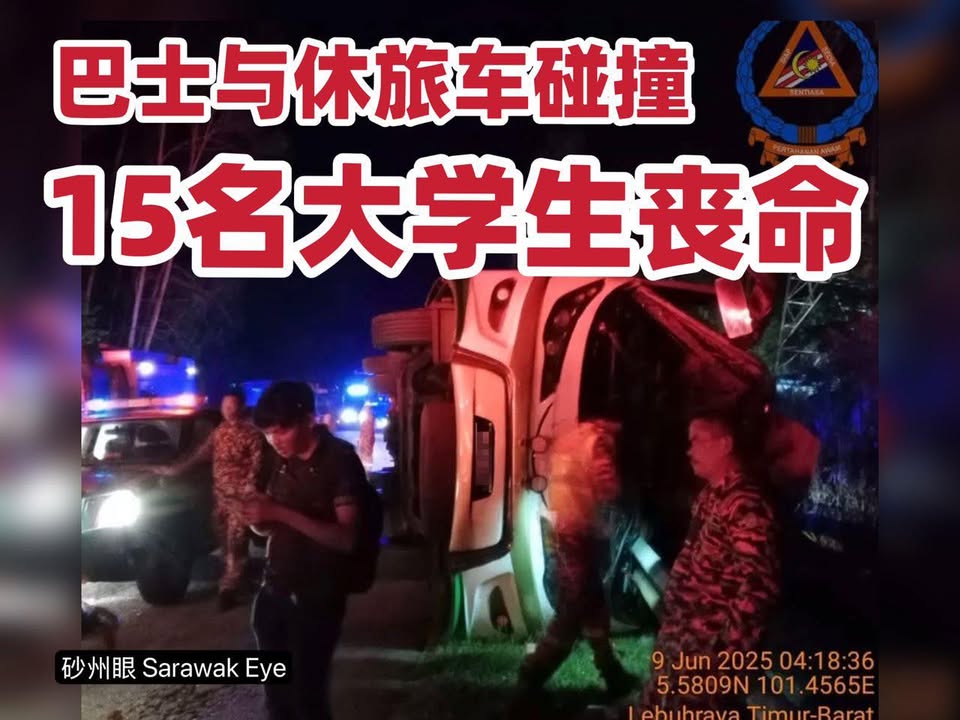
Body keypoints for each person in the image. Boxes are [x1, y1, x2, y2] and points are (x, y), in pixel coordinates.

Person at [636, 410, 780, 714]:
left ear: (725, 444)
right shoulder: (710, 496)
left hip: (708, 649)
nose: (689, 450)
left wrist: (727, 653)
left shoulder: (745, 505)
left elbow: (757, 588)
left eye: (697, 440)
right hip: (681, 638)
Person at [242, 381, 368, 720]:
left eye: (281, 431)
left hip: (316, 598)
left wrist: (278, 512)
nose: (275, 440)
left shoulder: (339, 460)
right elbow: (271, 526)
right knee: (277, 701)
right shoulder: (278, 460)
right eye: (268, 433)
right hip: (273, 592)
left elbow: (346, 538)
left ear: (309, 419)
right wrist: (258, 519)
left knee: (308, 699)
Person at [515, 420, 636, 702]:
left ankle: (613, 673)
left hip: (565, 532)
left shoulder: (573, 438)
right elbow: (607, 487)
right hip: (581, 535)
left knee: (593, 607)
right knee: (571, 613)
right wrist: (619, 495)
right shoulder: (599, 442)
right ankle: (531, 677)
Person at [160, 388, 263, 611]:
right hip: (221, 497)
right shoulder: (219, 432)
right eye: (226, 406)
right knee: (225, 542)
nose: (229, 410)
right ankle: (241, 577)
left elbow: (258, 465)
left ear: (241, 406)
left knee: (235, 541)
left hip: (240, 500)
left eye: (233, 406)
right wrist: (175, 470)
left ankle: (228, 590)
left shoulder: (251, 433)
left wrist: (250, 491)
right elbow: (200, 455)